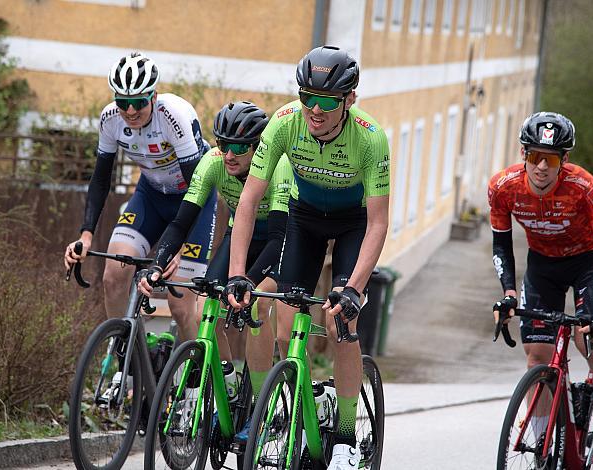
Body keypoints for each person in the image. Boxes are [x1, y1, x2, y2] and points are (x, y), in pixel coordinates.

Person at [225, 45, 390, 469]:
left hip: (354, 223)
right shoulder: (283, 124)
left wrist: (353, 289)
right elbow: (248, 203)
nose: (313, 109)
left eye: (326, 101)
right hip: (305, 219)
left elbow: (376, 224)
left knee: (341, 323)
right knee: (282, 326)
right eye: (306, 97)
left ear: (349, 100)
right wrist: (236, 274)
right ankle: (291, 410)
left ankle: (348, 436)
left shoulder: (371, 138)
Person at [138, 101, 293, 441]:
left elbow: (279, 237)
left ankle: (260, 402)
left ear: (258, 147)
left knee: (258, 304)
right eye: (223, 144)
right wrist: (156, 265)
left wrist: (249, 281)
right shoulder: (212, 163)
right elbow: (181, 222)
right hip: (242, 233)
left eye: (239, 147)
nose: (229, 154)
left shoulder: (277, 166)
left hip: (280, 237)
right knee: (208, 297)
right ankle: (226, 383)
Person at [489, 111, 593, 447]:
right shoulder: (503, 187)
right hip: (542, 267)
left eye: (550, 159)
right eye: (535, 157)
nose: (542, 167)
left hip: (587, 263)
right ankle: (540, 447)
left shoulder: (584, 187)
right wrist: (508, 293)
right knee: (537, 355)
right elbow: (501, 246)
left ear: (564, 160)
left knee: (588, 343)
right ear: (524, 155)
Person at [63, 52, 217, 340]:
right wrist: (85, 235)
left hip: (193, 199)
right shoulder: (110, 119)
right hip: (151, 196)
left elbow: (198, 186)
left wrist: (180, 248)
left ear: (154, 97)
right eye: (123, 103)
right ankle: (129, 361)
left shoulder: (174, 117)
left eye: (139, 103)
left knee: (181, 305)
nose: (131, 111)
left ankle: (189, 380)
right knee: (113, 276)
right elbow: (100, 179)